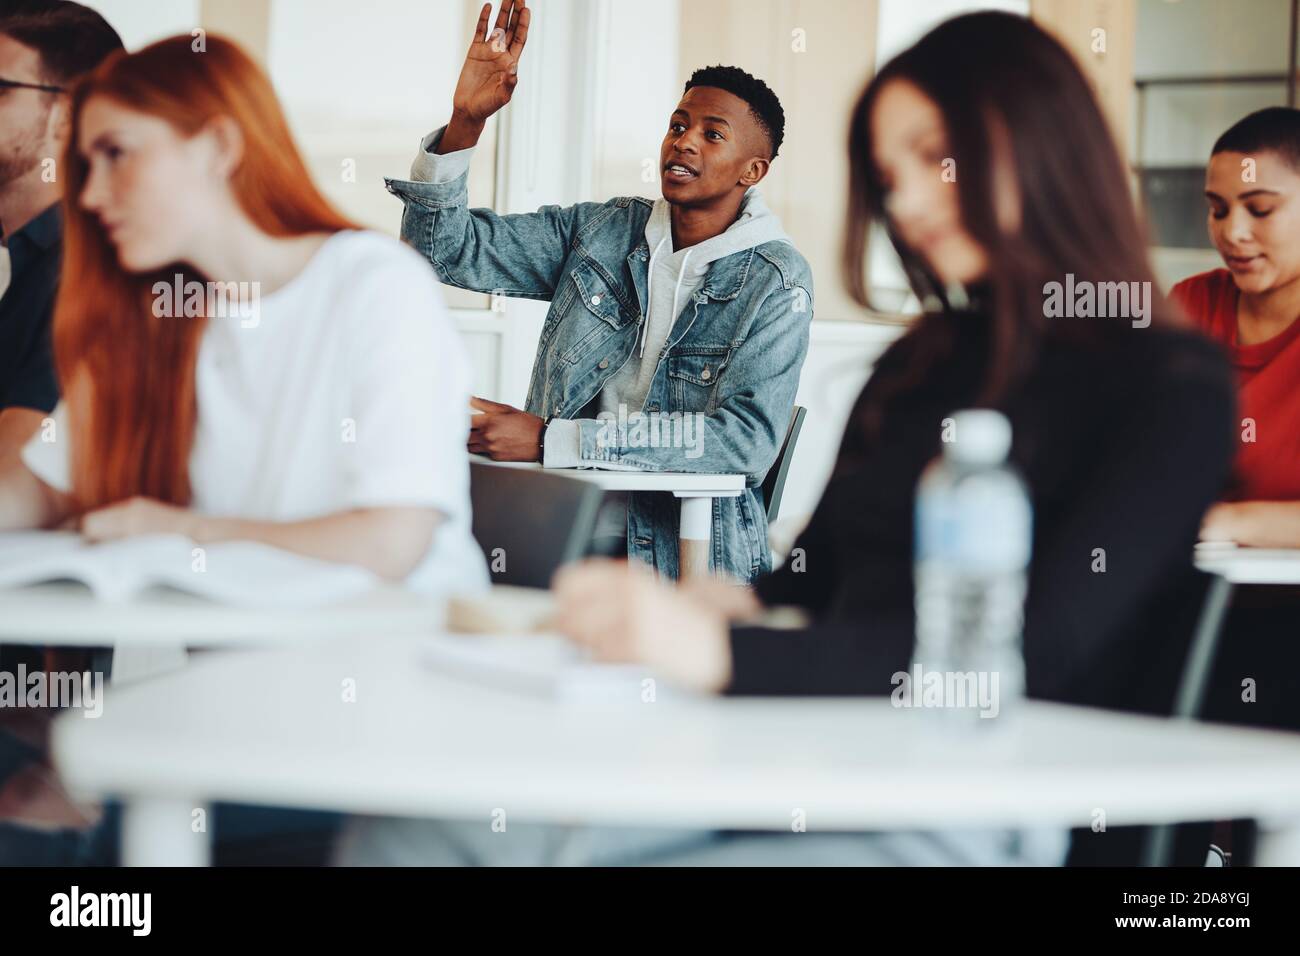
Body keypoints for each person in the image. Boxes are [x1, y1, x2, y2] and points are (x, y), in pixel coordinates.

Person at [337, 11, 1235, 867]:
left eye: (937, 158)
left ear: (1044, 144)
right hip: (804, 742)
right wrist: (721, 611)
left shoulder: (1170, 388)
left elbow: (1032, 650)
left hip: (957, 799)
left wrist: (726, 650)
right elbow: (817, 578)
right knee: (416, 834)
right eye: (891, 173)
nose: (912, 199)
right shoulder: (923, 361)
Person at [0, 34, 486, 597]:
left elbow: (392, 541)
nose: (90, 196)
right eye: (88, 165)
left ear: (218, 147)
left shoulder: (377, 286)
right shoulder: (160, 311)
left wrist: (182, 532)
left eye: (117, 153)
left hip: (399, 662)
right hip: (239, 662)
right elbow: (44, 487)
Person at [385, 0, 813, 582]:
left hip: (685, 557)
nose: (684, 142)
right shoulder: (602, 232)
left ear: (752, 170)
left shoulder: (778, 281)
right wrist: (467, 121)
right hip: (561, 523)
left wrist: (551, 441)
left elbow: (742, 443)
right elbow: (443, 251)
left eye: (713, 135)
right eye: (678, 124)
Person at [0, 1, 121, 461]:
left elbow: (15, 468)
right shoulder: (21, 257)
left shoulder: (87, 270)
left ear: (68, 116)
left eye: (0, 89)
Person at [1175, 108, 1300, 546]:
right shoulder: (1190, 306)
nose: (1233, 233)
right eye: (1218, 210)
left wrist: (1228, 523)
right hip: (1187, 595)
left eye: (1260, 209)